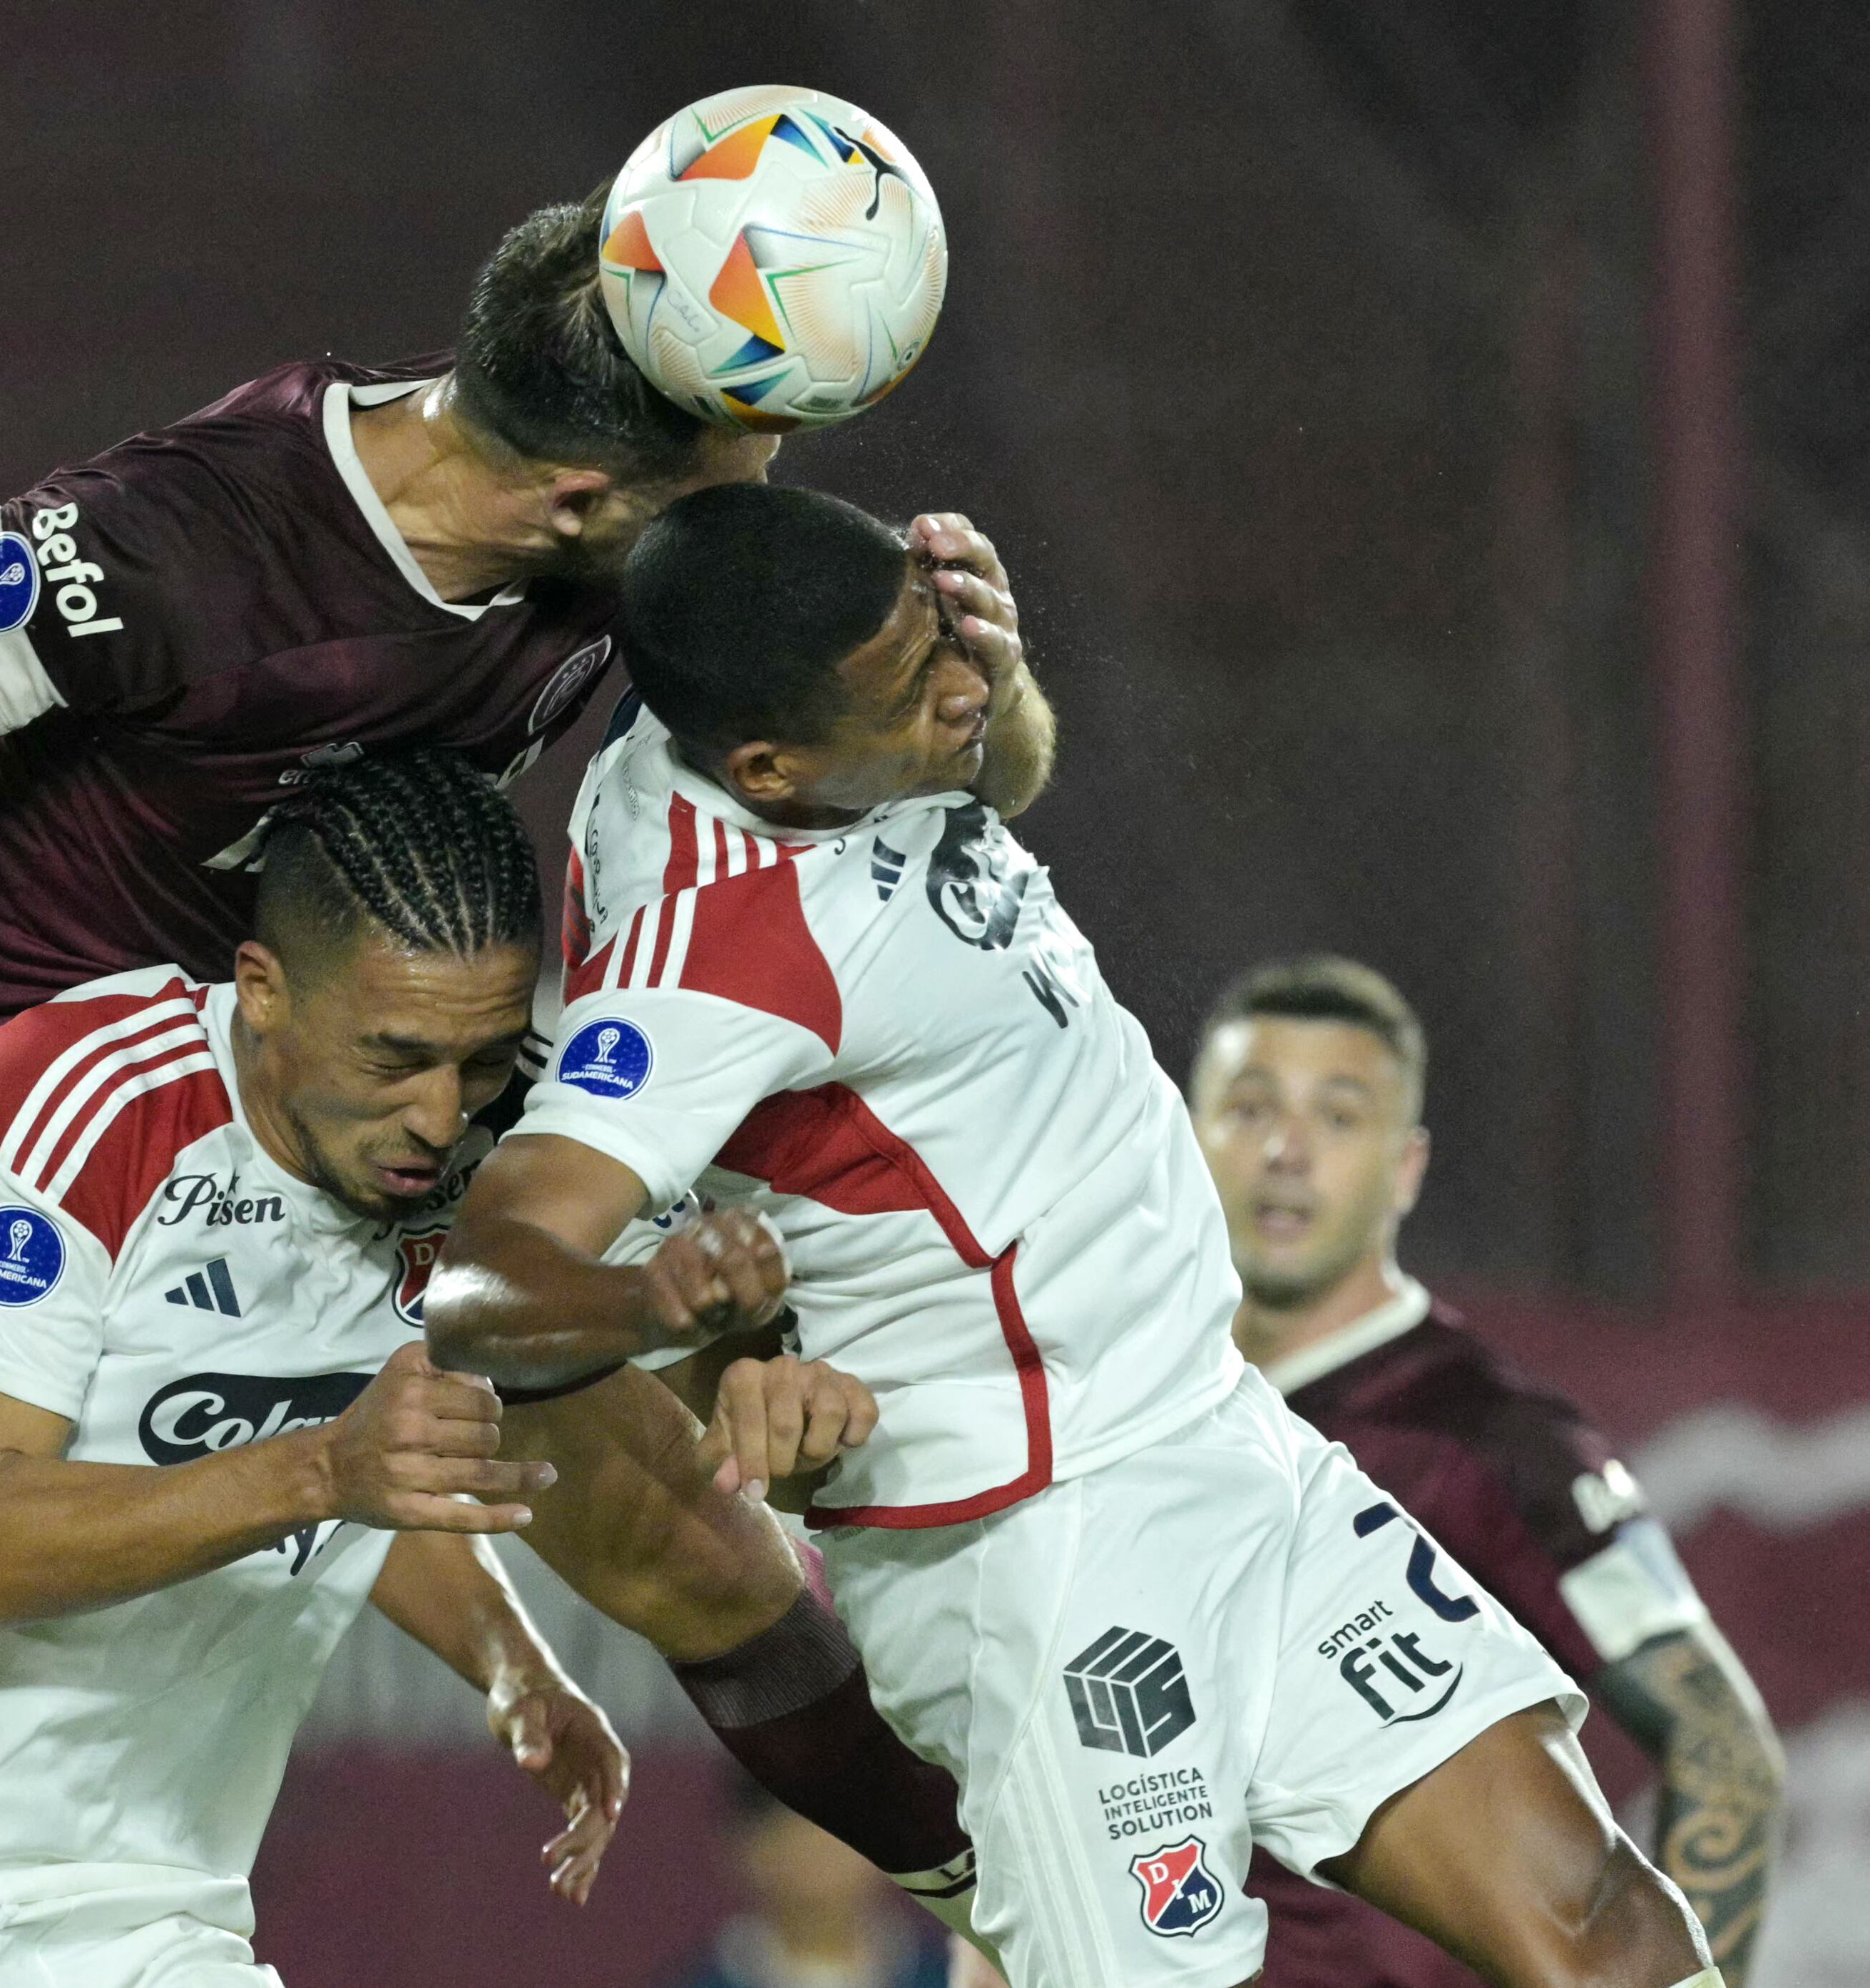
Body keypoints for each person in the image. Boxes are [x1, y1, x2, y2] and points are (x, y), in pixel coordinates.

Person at [0, 182, 1041, 1922]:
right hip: (0, 1130)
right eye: (735, 455)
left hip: (353, 1077)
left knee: (679, 1517)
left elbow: (948, 774)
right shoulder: (177, 553)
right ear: (577, 502)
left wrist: (974, 674)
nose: (758, 495)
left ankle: (1008, 1889)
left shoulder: (605, 491)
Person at [423, 480, 1722, 1988]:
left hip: (1228, 1441)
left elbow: (985, 797)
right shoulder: (708, 958)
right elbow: (478, 1285)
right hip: (1046, 1549)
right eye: (917, 684)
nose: (959, 688)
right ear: (768, 764)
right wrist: (656, 1293)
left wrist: (983, 672)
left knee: (1606, 1931)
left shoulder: (798, 702)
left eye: (939, 644)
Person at [0, 753, 678, 1986]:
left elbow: (365, 1468)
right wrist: (328, 1465)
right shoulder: (87, 1094)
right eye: (395, 1058)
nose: (442, 1114)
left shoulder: (489, 1155)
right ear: (264, 988)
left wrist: (510, 1659)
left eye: (482, 1059)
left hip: (161, 1916)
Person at [1187, 957, 1786, 1987]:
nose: (1285, 1150)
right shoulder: (1141, 1405)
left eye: (1338, 1115)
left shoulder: (1494, 1435)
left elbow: (1723, 1757)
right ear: (1183, 1135)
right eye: (1248, 1108)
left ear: (1406, 1166)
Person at [667, 1778, 954, 1988]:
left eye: (847, 1827)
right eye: (801, 1825)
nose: (825, 1845)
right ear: (749, 1847)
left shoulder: (952, 1978)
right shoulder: (703, 1981)